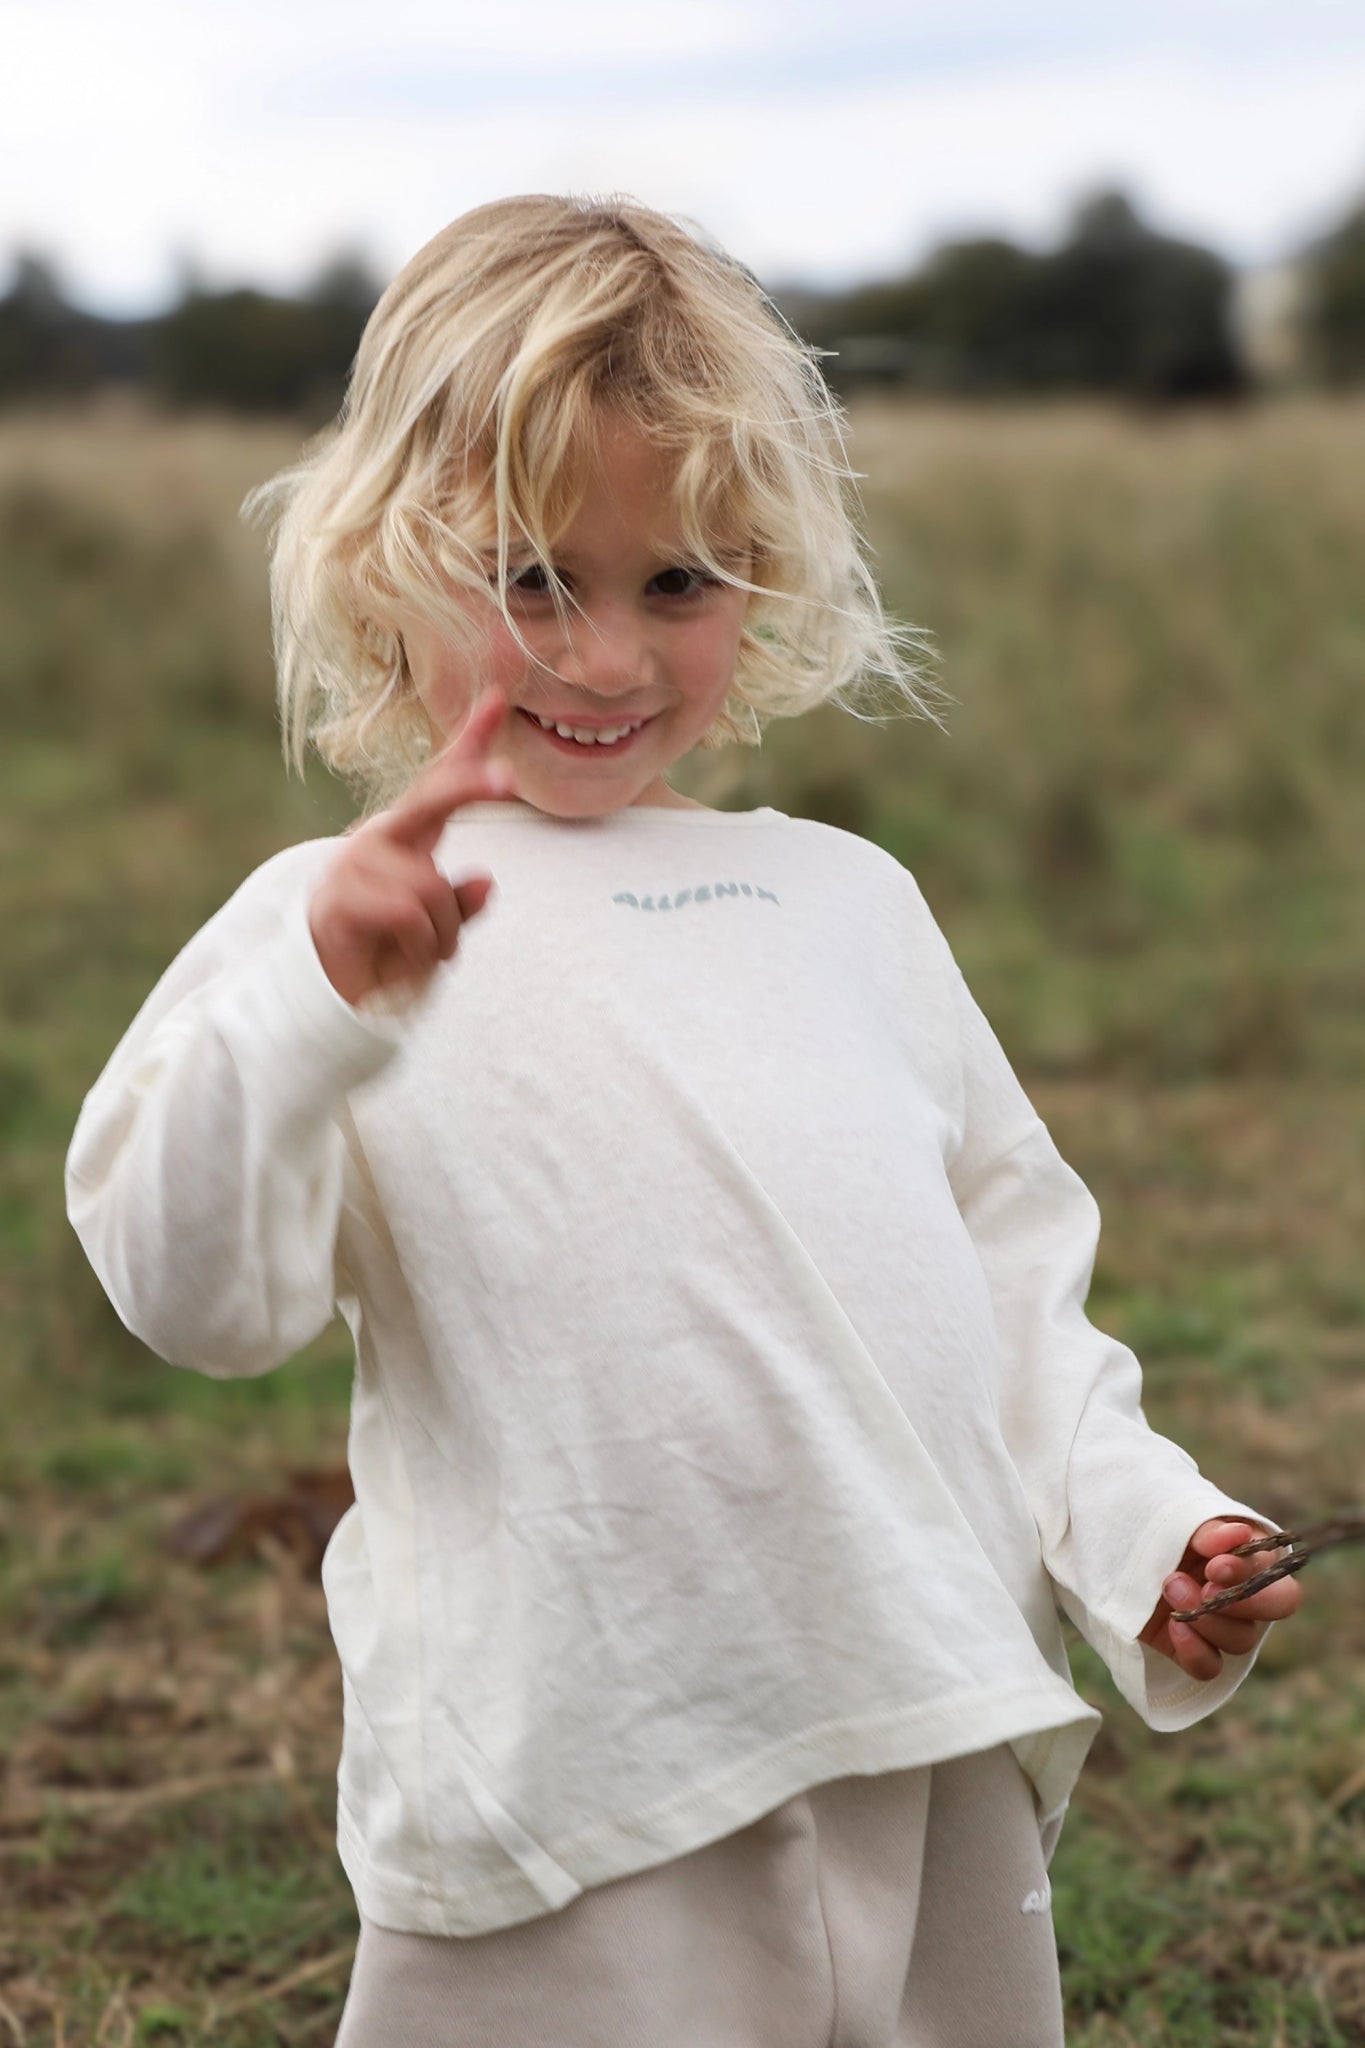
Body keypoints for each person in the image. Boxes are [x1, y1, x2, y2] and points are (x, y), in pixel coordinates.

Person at [65, 194, 1299, 2047]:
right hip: (572, 1788)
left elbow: (1006, 1297)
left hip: (925, 1725)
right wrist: (311, 1009)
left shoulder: (846, 902)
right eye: (532, 579)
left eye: (680, 584)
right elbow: (189, 1296)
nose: (607, 658)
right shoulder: (334, 913)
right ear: (382, 559)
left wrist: (1142, 1533)